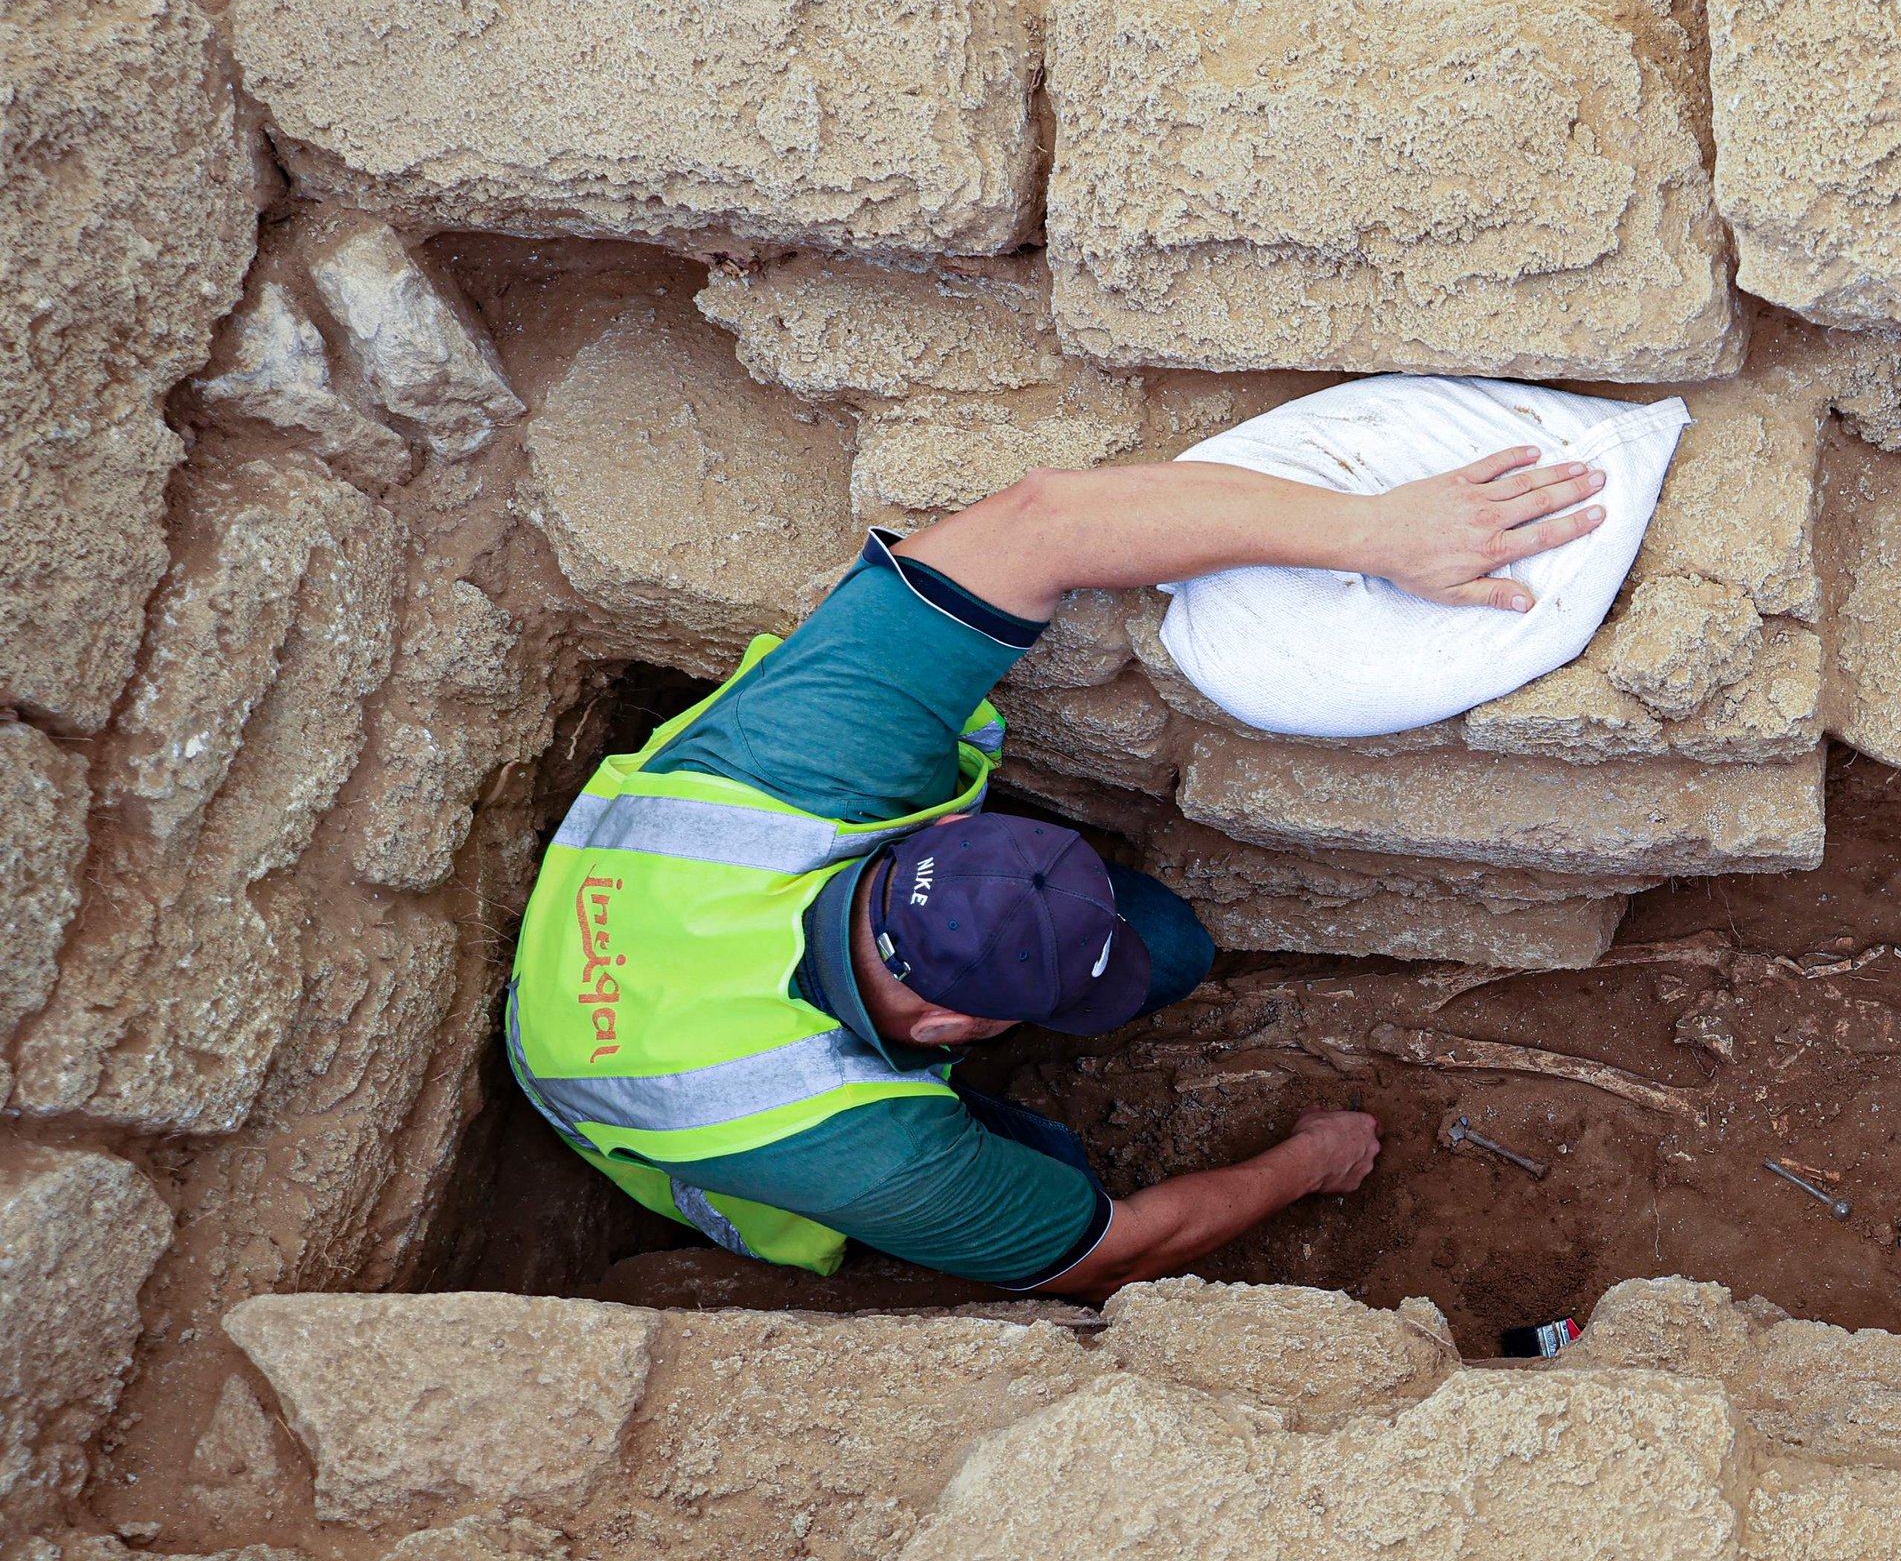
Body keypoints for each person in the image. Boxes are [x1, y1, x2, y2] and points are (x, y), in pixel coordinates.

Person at [505, 443, 1608, 1300]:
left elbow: (1042, 522)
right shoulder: (872, 1153)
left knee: (1165, 946)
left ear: (908, 843)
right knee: (1055, 1159)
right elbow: (1116, 1254)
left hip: (633, 908)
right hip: (605, 1086)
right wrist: (1309, 1162)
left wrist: (1375, 530)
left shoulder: (815, 757)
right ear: (942, 1030)